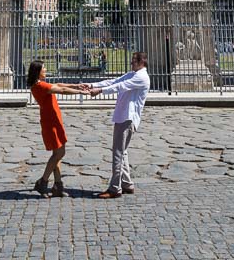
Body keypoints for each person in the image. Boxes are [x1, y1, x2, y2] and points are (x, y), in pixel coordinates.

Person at [88, 51, 150, 199]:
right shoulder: (133, 74)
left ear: (142, 62)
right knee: (123, 151)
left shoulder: (141, 77)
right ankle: (127, 183)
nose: (131, 63)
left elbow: (121, 86)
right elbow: (114, 81)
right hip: (123, 116)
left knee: (118, 152)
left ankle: (115, 188)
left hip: (128, 118)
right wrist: (92, 84)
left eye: (134, 61)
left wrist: (100, 91)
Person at [27, 60, 88, 198]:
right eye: (44, 68)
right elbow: (61, 90)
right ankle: (42, 182)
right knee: (59, 153)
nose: (46, 70)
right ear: (38, 71)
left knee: (57, 154)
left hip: (53, 121)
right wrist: (80, 92)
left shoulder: (40, 85)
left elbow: (59, 85)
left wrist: (75, 85)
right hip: (51, 123)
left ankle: (57, 186)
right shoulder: (40, 86)